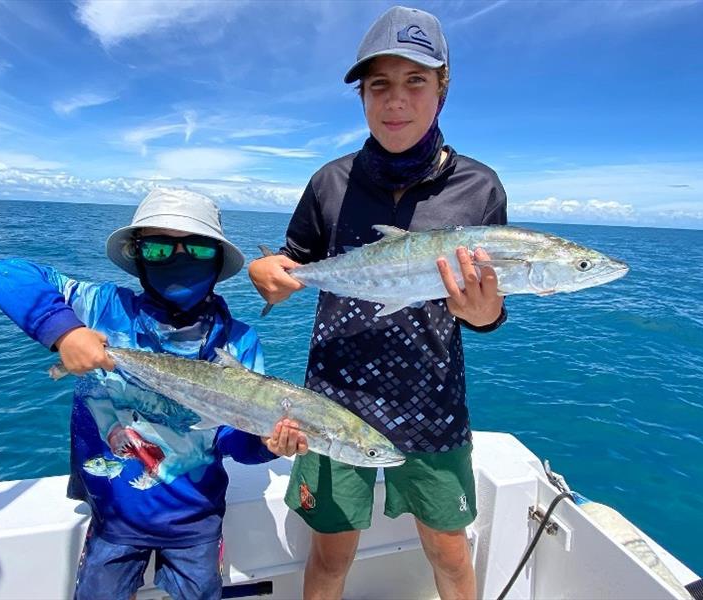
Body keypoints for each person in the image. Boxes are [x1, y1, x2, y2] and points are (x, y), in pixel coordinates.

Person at [248, 6, 507, 600]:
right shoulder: (330, 182)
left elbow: (491, 308)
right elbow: (293, 263)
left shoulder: (480, 187)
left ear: (442, 90)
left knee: (450, 554)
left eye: (415, 81)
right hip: (335, 403)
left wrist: (484, 315)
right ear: (363, 97)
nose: (396, 101)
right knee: (330, 557)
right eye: (379, 85)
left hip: (433, 406)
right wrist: (266, 272)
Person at [0, 188, 307, 600]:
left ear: (217, 260)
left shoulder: (238, 342)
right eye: (157, 249)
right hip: (111, 515)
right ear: (137, 256)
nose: (178, 259)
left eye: (197, 249)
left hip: (197, 521)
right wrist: (64, 331)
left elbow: (233, 441)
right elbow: (7, 273)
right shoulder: (100, 308)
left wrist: (269, 444)